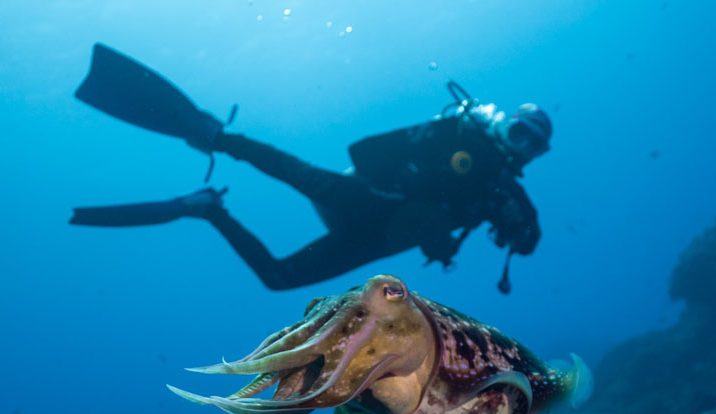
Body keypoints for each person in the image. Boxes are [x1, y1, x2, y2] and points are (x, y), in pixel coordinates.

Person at [70, 44, 552, 293]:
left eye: (533, 144)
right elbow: (363, 151)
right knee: (289, 168)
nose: (523, 145)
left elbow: (530, 241)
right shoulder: (458, 134)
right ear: (504, 125)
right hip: (363, 199)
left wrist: (510, 224)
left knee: (279, 279)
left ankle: (207, 209)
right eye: (520, 132)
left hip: (376, 239)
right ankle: (215, 135)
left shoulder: (503, 191)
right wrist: (412, 188)